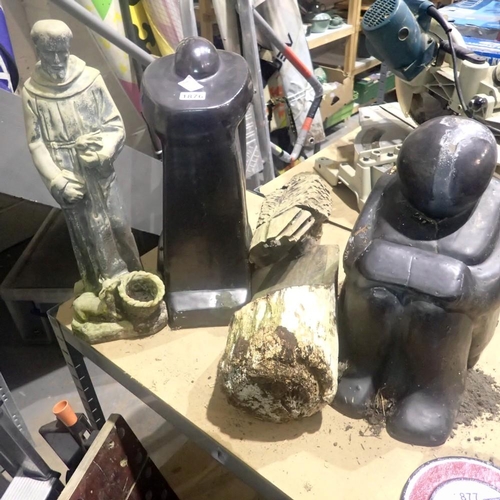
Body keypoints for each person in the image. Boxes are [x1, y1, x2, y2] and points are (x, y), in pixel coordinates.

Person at [22, 20, 142, 293]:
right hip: (67, 172)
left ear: (68, 48)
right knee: (88, 234)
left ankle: (135, 279)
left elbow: (114, 124)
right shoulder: (32, 91)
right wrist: (58, 181)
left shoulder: (90, 79)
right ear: (38, 50)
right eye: (49, 53)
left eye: (61, 52)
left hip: (99, 168)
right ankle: (104, 289)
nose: (56, 60)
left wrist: (105, 152)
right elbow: (36, 143)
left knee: (118, 224)